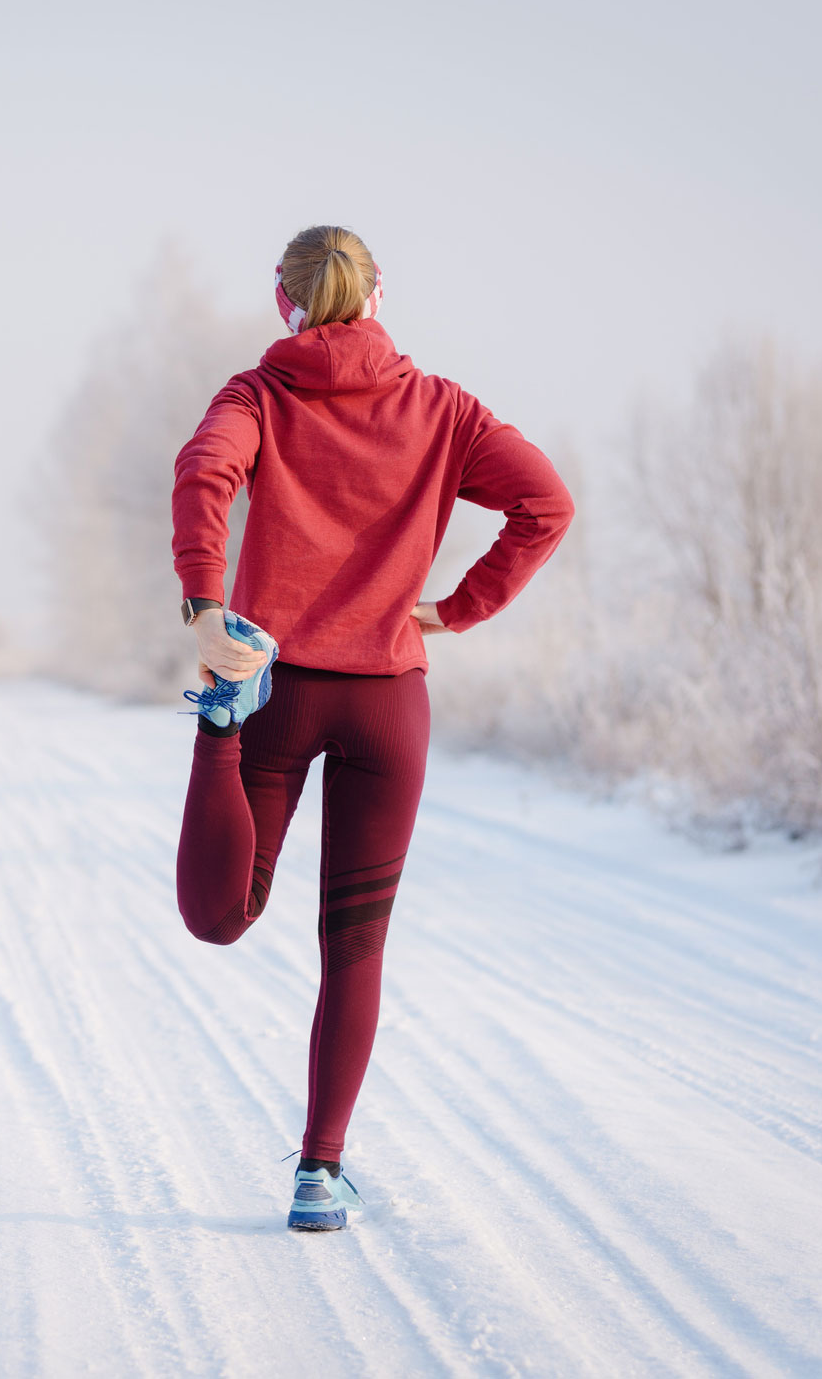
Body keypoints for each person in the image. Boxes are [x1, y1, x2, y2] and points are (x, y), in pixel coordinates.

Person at [170, 224, 574, 1231]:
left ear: (285, 304)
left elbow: (202, 473)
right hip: (389, 700)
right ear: (378, 296)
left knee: (220, 916)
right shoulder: (442, 408)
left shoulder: (255, 396)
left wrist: (205, 605)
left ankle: (217, 724)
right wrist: (460, 605)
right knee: (354, 947)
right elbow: (546, 502)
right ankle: (319, 1170)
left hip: (278, 688)